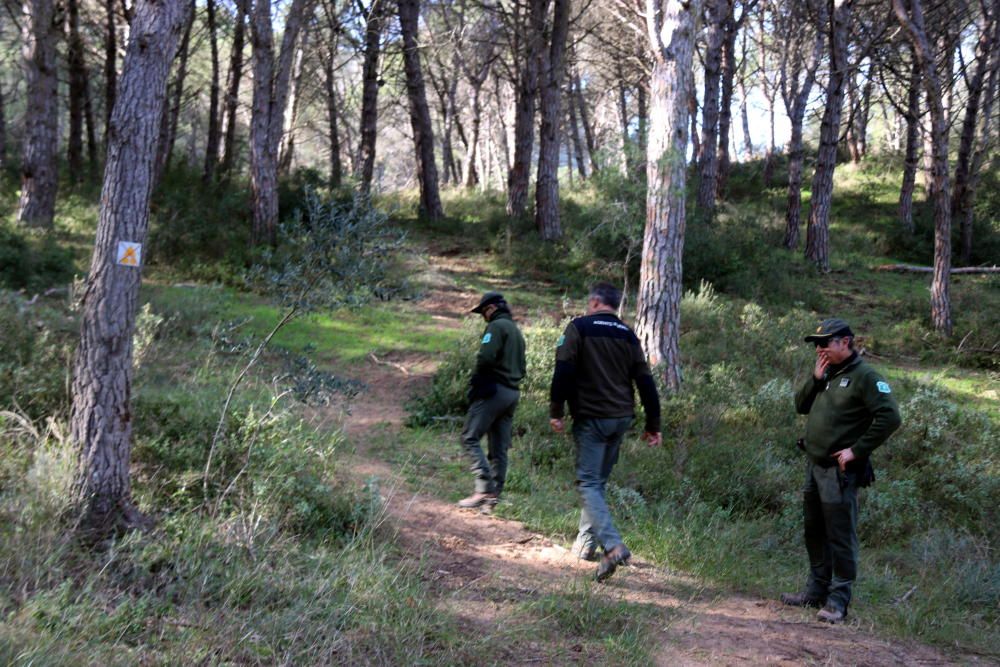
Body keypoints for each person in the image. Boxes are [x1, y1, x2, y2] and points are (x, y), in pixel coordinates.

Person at [782, 318, 901, 623]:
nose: (819, 349)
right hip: (815, 465)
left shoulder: (866, 377)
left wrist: (857, 450)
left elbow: (890, 417)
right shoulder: (828, 373)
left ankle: (838, 601)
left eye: (825, 343)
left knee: (840, 534)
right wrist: (815, 378)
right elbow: (800, 405)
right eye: (816, 344)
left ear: (845, 342)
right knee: (814, 530)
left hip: (839, 471)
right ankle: (815, 591)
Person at [549, 282, 662, 582]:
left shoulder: (579, 327)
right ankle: (585, 547)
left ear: (596, 302)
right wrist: (653, 424)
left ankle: (612, 546)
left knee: (587, 482)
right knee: (598, 481)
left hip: (591, 417)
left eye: (589, 302)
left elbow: (563, 369)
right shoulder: (628, 335)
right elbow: (645, 382)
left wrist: (556, 410)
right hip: (620, 418)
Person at [457, 292, 527, 510]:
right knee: (499, 447)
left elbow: (486, 357)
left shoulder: (496, 327)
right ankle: (493, 496)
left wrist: (478, 380)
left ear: (491, 309)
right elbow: (522, 367)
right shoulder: (516, 331)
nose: (483, 317)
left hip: (494, 390)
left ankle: (482, 488)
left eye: (483, 312)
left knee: (469, 436)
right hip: (512, 393)